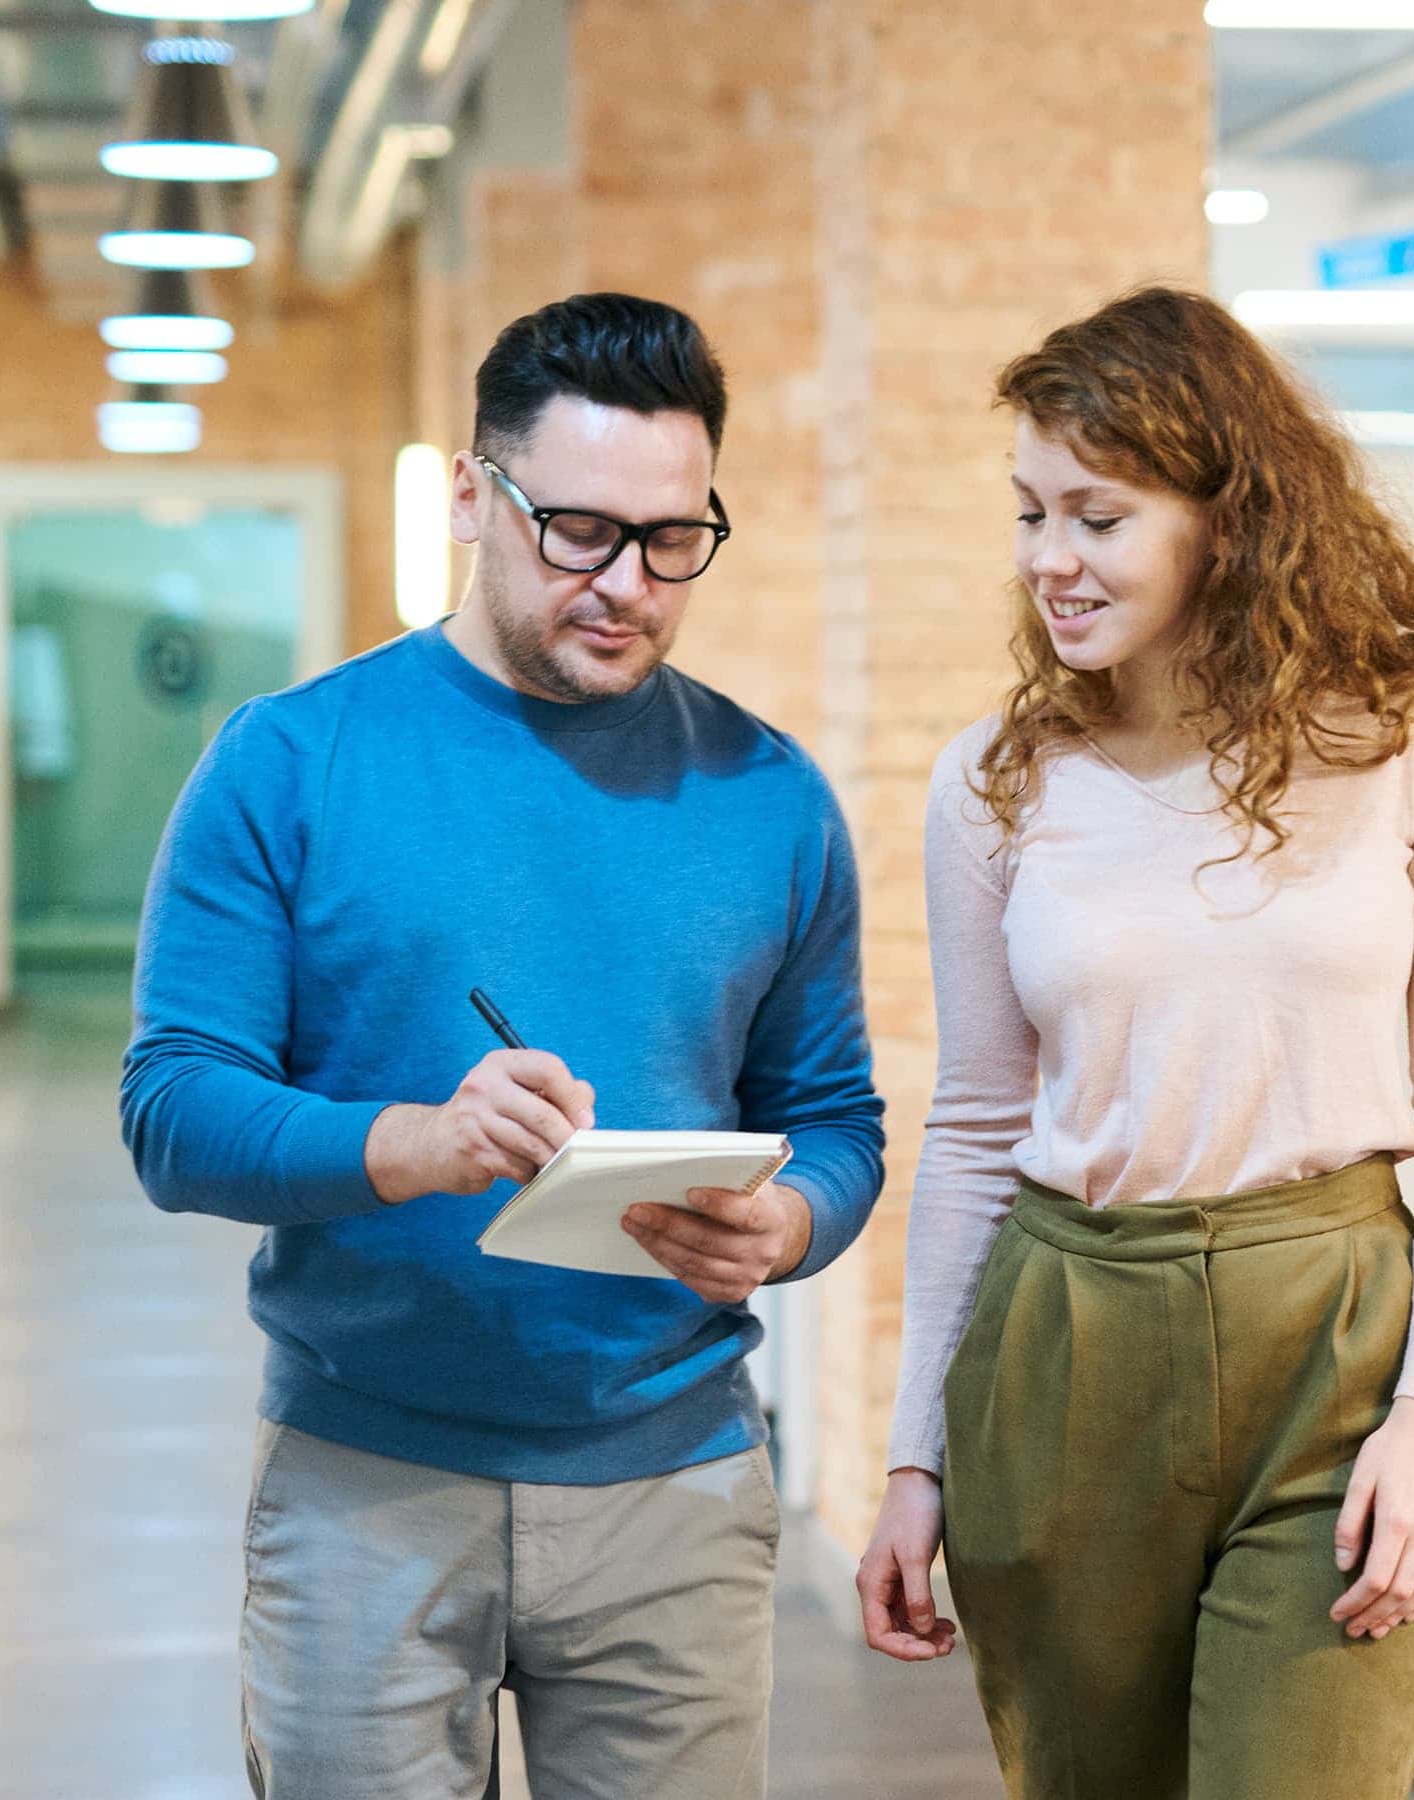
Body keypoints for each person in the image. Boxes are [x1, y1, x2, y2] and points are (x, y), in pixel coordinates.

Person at [122, 292, 884, 1800]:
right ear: (473, 494)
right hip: (364, 1490)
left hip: (677, 1484)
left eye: (674, 540)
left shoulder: (769, 795)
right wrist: (418, 1143)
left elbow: (838, 1117)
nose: (628, 585)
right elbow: (173, 1112)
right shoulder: (291, 760)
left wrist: (786, 1226)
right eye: (578, 531)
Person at [855, 286, 1414, 1799]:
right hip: (1067, 1348)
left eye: (1096, 516)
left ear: (1226, 517)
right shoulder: (996, 785)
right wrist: (913, 1461)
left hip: (1336, 1336)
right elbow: (972, 1125)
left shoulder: (1411, 736)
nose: (1049, 562)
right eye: (1031, 514)